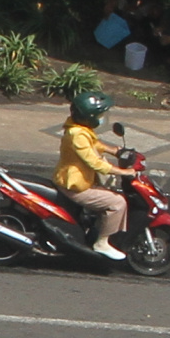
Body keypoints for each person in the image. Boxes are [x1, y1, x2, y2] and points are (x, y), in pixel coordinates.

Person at [57, 87, 133, 261]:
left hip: (79, 181)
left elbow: (93, 144)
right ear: (89, 117)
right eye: (99, 116)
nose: (101, 119)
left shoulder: (78, 129)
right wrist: (123, 172)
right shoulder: (77, 135)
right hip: (76, 186)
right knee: (117, 202)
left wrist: (114, 150)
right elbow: (93, 162)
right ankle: (102, 243)